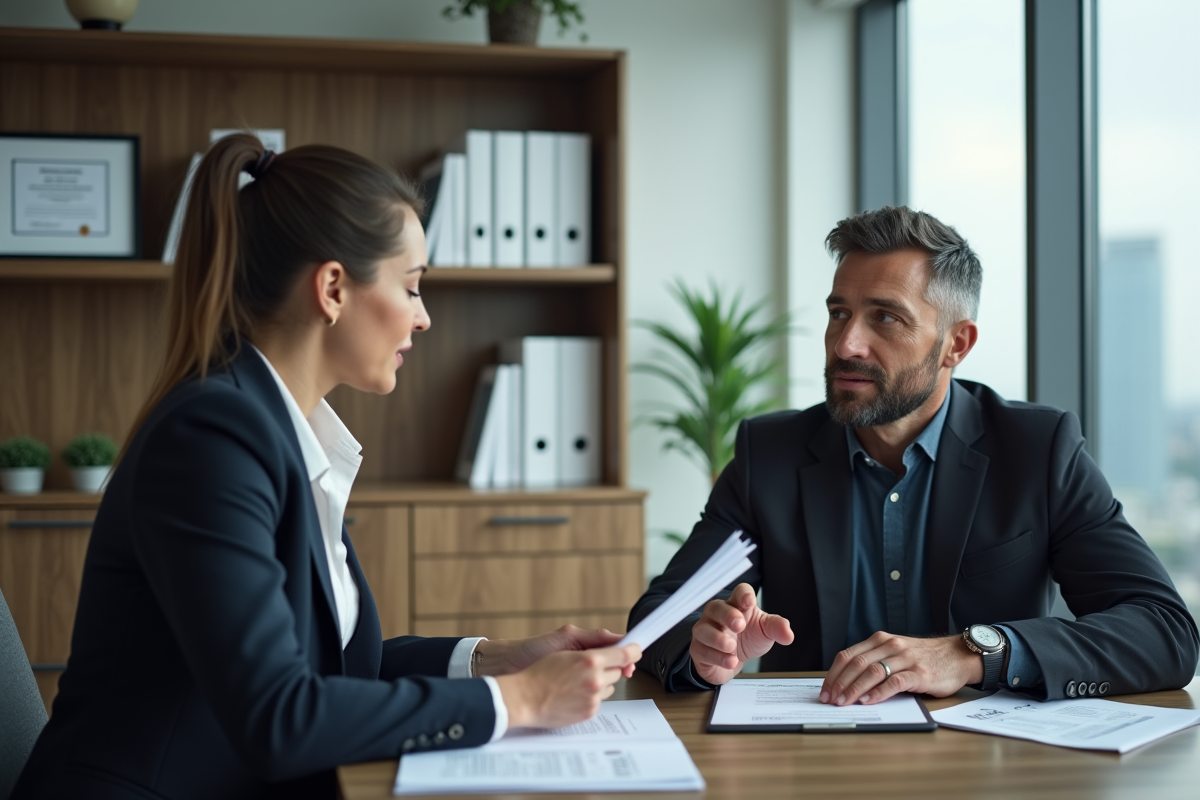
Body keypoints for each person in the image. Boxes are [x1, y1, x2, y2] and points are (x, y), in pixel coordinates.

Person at [13, 134, 640, 800]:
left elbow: (331, 670)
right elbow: (278, 716)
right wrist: (517, 702)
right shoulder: (212, 439)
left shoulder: (280, 431)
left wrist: (495, 661)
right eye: (412, 285)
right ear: (334, 288)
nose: (424, 318)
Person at [629, 206, 1198, 707]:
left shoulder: (1038, 450)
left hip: (988, 766)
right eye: (838, 313)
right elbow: (659, 619)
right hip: (814, 761)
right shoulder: (769, 455)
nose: (847, 343)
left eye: (885, 317)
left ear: (957, 344)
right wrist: (702, 650)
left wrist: (975, 651)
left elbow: (1163, 631)